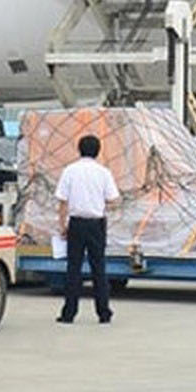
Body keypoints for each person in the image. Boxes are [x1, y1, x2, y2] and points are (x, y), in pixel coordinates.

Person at [56, 133, 121, 324]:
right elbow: (113, 199)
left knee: (73, 269)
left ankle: (69, 313)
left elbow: (62, 202)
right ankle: (103, 312)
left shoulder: (70, 171)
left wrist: (62, 225)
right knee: (99, 269)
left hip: (76, 222)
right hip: (96, 223)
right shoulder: (103, 172)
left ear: (79, 149)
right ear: (98, 152)